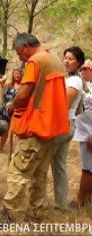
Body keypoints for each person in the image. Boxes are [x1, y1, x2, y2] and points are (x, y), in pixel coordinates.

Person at [2, 33, 69, 222]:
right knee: (39, 174)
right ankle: (35, 213)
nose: (19, 57)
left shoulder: (35, 61)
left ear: (25, 47)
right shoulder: (54, 59)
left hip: (36, 127)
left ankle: (11, 214)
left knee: (18, 172)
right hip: (52, 129)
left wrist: (11, 106)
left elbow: (23, 94)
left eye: (18, 52)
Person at [50, 46, 85, 211]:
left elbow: (63, 105)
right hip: (67, 126)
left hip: (62, 125)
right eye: (65, 57)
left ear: (78, 63)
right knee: (59, 166)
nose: (66, 61)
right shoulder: (68, 79)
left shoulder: (75, 81)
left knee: (41, 162)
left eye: (71, 59)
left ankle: (39, 203)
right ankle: (61, 205)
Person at [73, 59, 92, 207]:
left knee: (87, 168)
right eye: (82, 68)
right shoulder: (84, 86)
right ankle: (87, 198)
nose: (83, 70)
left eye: (86, 68)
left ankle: (80, 200)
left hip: (89, 133)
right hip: (84, 130)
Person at [0, 67, 22, 151]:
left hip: (16, 111)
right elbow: (3, 94)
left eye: (18, 74)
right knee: (4, 130)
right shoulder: (8, 84)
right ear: (13, 74)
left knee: (15, 132)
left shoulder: (22, 86)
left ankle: (15, 149)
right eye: (15, 73)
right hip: (6, 111)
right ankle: (0, 147)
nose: (17, 75)